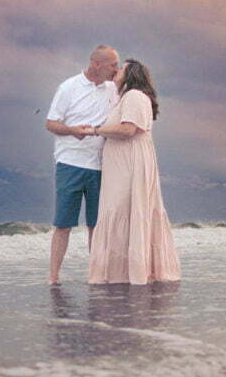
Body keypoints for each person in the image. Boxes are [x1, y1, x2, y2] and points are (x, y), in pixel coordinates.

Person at [86, 59, 181, 285]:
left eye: (121, 68)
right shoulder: (127, 98)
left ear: (132, 74)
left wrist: (95, 130)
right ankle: (124, 272)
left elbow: (128, 129)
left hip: (130, 164)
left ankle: (125, 273)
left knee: (122, 207)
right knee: (122, 208)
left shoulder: (135, 96)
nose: (116, 70)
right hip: (124, 163)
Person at [45, 45, 120, 285]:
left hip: (101, 165)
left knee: (96, 225)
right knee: (63, 223)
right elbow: (51, 123)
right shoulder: (68, 87)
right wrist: (72, 130)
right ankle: (53, 277)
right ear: (96, 64)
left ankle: (95, 275)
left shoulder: (113, 89)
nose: (116, 70)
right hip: (70, 163)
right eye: (113, 65)